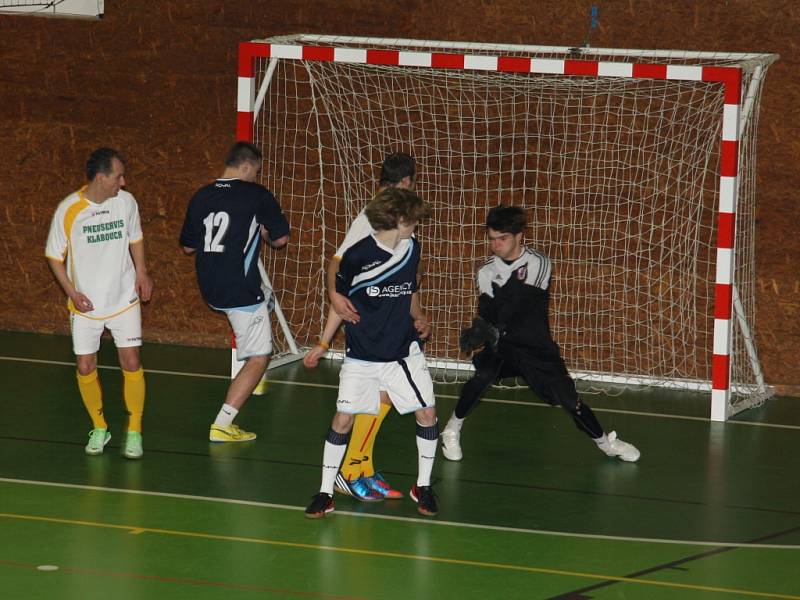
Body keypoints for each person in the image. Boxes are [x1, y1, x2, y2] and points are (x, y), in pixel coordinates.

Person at [440, 204, 640, 463]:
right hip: (504, 345)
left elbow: (520, 303)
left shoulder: (538, 263)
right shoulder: (485, 270)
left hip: (535, 347)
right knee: (483, 375)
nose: (496, 245)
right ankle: (452, 429)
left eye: (503, 238)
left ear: (519, 236)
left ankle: (606, 444)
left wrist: (489, 326)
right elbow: (489, 309)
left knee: (570, 401)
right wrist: (481, 326)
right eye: (492, 239)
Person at [305, 187, 439, 518]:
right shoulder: (358, 256)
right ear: (399, 220)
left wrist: (419, 316)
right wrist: (323, 343)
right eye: (413, 221)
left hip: (402, 355)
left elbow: (408, 291)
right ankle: (325, 492)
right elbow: (341, 303)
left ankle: (422, 486)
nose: (415, 227)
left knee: (427, 415)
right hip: (362, 355)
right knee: (343, 419)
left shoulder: (411, 248)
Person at [45, 147, 153, 459]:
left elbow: (135, 237)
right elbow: (54, 256)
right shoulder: (70, 209)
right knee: (84, 366)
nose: (123, 181)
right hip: (86, 306)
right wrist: (72, 292)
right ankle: (99, 426)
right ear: (101, 177)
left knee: (131, 361)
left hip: (124, 298)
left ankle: (134, 430)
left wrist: (142, 272)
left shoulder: (126, 202)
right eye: (118, 176)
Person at [180, 141, 290, 442]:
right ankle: (223, 424)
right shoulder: (257, 195)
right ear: (245, 167)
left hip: (210, 286)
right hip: (239, 290)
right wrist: (264, 232)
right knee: (260, 356)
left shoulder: (202, 195)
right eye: (255, 171)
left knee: (266, 296)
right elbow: (280, 240)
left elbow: (189, 246)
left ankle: (253, 373)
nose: (256, 176)